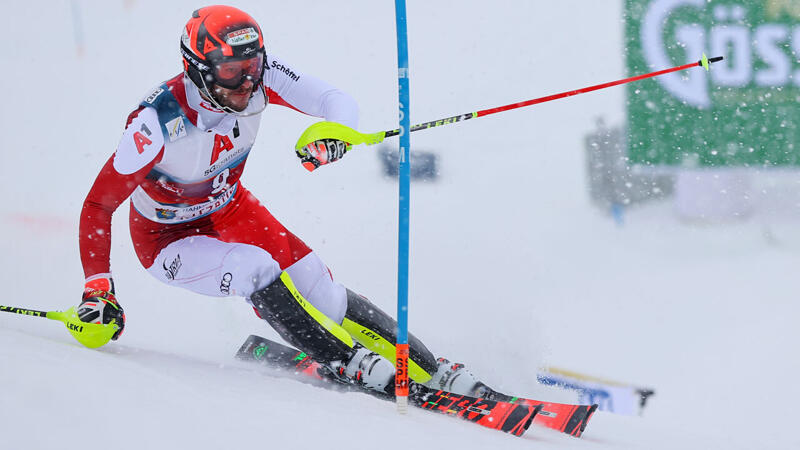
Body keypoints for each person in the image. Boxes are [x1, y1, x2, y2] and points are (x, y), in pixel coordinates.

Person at [75, 5, 483, 397]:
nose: (246, 83)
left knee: (320, 289)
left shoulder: (261, 76)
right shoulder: (156, 123)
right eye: (231, 72)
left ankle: (431, 369)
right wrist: (99, 289)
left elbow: (334, 100)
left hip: (229, 207)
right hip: (166, 239)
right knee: (254, 268)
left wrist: (335, 133)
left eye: (251, 67)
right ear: (197, 70)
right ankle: (344, 360)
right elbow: (98, 205)